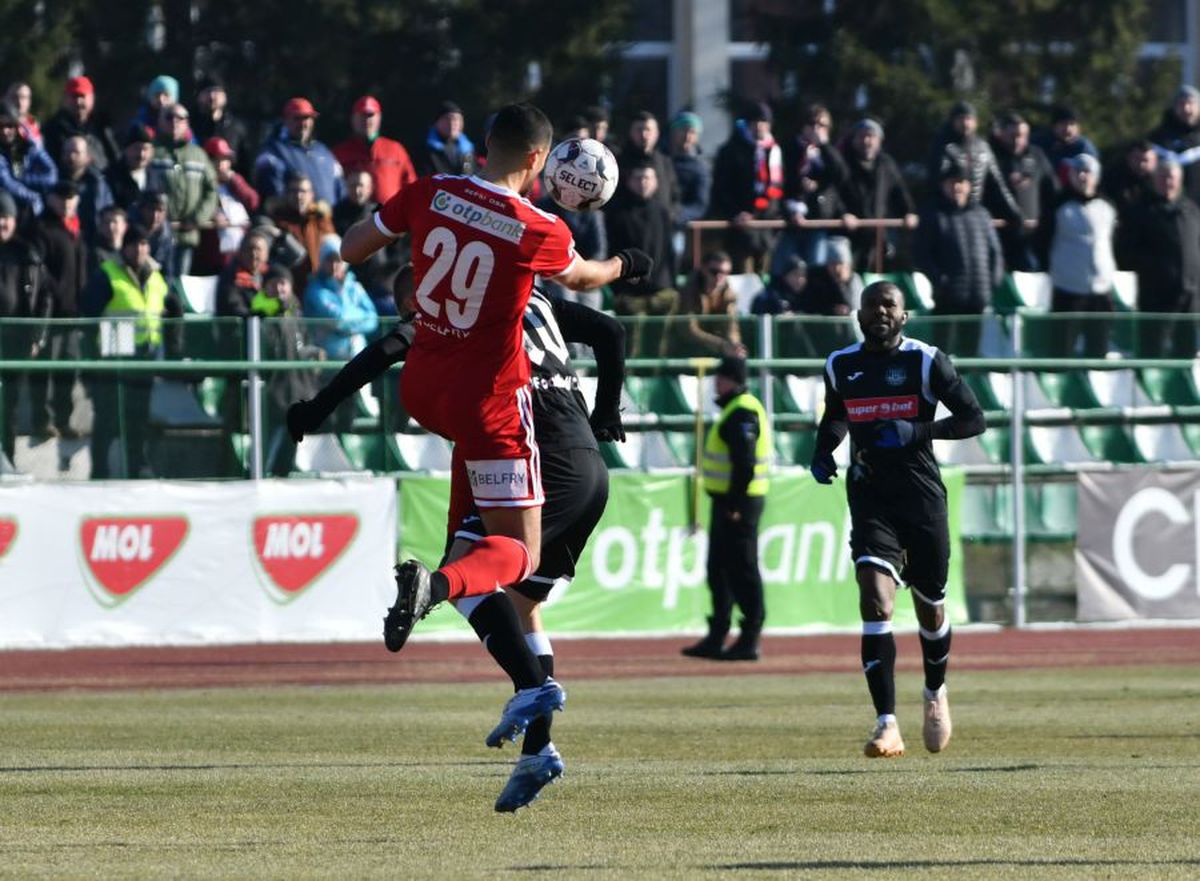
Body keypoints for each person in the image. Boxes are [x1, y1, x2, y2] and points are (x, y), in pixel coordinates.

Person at [339, 102, 650, 748]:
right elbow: (587, 278)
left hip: (426, 388)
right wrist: (626, 263)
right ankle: (435, 586)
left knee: (475, 548)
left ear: (485, 143)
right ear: (539, 160)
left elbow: (351, 247)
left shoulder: (430, 189)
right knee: (519, 553)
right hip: (488, 403)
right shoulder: (539, 229)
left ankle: (530, 704)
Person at [288, 270, 626, 811]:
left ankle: (443, 597)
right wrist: (607, 411)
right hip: (588, 463)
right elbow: (610, 330)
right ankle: (537, 751)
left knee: (467, 569)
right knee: (522, 604)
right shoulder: (529, 295)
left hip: (532, 455)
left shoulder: (450, 312)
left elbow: (382, 352)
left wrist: (315, 409)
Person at [810, 280, 985, 758]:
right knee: (875, 601)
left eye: (889, 305)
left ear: (904, 316)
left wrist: (919, 431)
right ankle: (886, 723)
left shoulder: (926, 361)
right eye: (871, 305)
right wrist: (823, 450)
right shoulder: (840, 364)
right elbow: (837, 415)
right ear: (858, 315)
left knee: (931, 608)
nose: (880, 311)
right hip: (870, 497)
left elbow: (974, 418)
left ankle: (934, 690)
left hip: (922, 499)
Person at [682, 355, 771, 661]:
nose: (716, 383)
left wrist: (734, 503)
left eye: (721, 377)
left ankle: (749, 637)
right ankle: (718, 634)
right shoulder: (735, 409)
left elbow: (745, 463)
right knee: (718, 569)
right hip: (728, 501)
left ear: (733, 380)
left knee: (742, 569)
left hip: (739, 503)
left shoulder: (743, 411)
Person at [81, 222, 183, 477]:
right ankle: (100, 472)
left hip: (144, 356)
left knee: (138, 417)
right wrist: (91, 356)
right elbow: (87, 313)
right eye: (134, 244)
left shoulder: (156, 276)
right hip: (113, 353)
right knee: (107, 417)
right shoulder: (107, 273)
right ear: (124, 248)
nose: (139, 250)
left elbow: (174, 306)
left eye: (144, 244)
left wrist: (174, 344)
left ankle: (137, 468)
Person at [913, 161, 1003, 357]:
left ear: (968, 186)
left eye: (961, 182)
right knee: (940, 353)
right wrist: (940, 280)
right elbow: (922, 254)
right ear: (943, 185)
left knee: (971, 352)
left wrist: (992, 282)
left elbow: (995, 252)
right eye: (952, 182)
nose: (957, 187)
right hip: (946, 298)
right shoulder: (933, 214)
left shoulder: (981, 214)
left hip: (977, 296)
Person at [1122, 159, 1200, 357]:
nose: (1167, 182)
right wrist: (1156, 269)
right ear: (1155, 180)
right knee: (1152, 350)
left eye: (1171, 178)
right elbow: (1126, 252)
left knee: (1187, 351)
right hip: (1156, 296)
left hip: (1190, 294)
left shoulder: (1191, 210)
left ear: (1179, 180)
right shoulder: (1142, 211)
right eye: (1163, 177)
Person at [29, 180, 87, 438]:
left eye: (71, 198)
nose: (66, 203)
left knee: (68, 371)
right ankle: (42, 421)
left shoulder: (76, 229)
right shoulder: (42, 228)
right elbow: (40, 272)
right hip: (50, 315)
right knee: (45, 371)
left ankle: (64, 420)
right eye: (61, 197)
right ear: (51, 199)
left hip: (72, 315)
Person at [1046, 153, 1117, 357]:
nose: (1082, 176)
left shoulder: (1107, 206)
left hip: (1100, 289)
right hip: (1068, 288)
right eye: (1077, 172)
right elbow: (1043, 241)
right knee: (1062, 350)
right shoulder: (1059, 205)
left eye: (1087, 171)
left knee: (1099, 350)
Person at [0, 192, 48, 464]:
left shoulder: (27, 254)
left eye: (5, 217)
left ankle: (6, 458)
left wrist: (37, 336)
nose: (1, 224)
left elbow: (45, 297)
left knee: (10, 404)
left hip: (15, 342)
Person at [708, 101, 783, 274]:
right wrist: (736, 213)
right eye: (755, 122)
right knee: (743, 278)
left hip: (765, 229)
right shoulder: (731, 150)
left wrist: (769, 214)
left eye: (764, 122)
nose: (760, 126)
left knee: (763, 278)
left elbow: (777, 188)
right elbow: (721, 189)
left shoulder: (773, 151)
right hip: (740, 230)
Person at [836, 118, 918, 270]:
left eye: (871, 136)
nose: (866, 141)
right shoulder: (843, 162)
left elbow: (898, 191)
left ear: (879, 140)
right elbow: (835, 192)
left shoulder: (886, 164)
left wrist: (908, 212)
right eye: (862, 136)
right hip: (850, 233)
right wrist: (843, 214)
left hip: (878, 234)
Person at [604, 161, 679, 326]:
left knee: (660, 338)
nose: (643, 182)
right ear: (629, 181)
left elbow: (669, 250)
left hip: (660, 288)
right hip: (628, 291)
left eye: (647, 178)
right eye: (638, 178)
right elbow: (611, 249)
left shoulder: (662, 211)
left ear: (656, 181)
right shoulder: (616, 212)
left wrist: (671, 283)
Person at [776, 103, 847, 272]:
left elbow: (840, 175)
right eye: (812, 124)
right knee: (784, 268)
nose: (816, 129)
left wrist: (824, 145)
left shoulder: (827, 152)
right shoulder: (789, 147)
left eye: (822, 125)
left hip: (817, 218)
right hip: (791, 219)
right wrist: (799, 185)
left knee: (815, 268)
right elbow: (782, 179)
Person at [149, 103, 217, 279]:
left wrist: (198, 218)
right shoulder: (151, 153)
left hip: (187, 236)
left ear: (187, 122)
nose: (174, 122)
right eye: (169, 117)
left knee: (180, 285)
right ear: (159, 121)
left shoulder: (198, 155)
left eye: (180, 118)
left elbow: (212, 190)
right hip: (156, 235)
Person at [989, 111, 1058, 271]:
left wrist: (1044, 221)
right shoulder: (991, 157)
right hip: (1000, 237)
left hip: (1032, 238)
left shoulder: (1036, 156)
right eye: (1012, 135)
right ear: (1001, 134)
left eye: (1022, 136)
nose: (1017, 140)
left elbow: (1052, 190)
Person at [302, 234, 378, 363]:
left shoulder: (354, 287)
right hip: (329, 362)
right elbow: (337, 318)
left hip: (358, 358)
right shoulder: (315, 290)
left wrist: (346, 323)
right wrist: (358, 318)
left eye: (337, 260)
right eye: (329, 260)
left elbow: (373, 319)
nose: (334, 265)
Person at [255, 97, 345, 207]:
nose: (303, 123)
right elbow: (273, 195)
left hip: (330, 216)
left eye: (306, 118)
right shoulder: (274, 151)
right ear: (285, 120)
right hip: (291, 216)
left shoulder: (323, 151)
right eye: (297, 118)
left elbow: (341, 188)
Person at [333, 95, 417, 204]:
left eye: (370, 115)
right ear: (353, 119)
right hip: (353, 213)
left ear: (379, 117)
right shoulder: (340, 152)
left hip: (390, 213)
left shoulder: (396, 149)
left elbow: (411, 186)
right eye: (362, 116)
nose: (366, 120)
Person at [270, 172, 336, 293]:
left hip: (320, 288)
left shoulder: (321, 219)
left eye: (303, 191)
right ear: (287, 194)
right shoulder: (278, 221)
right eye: (294, 191)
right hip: (292, 288)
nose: (299, 196)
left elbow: (334, 251)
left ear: (311, 195)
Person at [41, 76, 119, 175]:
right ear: (65, 99)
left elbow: (115, 158)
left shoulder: (102, 127)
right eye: (74, 97)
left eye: (82, 96)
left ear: (91, 98)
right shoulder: (53, 129)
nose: (78, 102)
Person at [202, 136, 259, 268]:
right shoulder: (201, 183)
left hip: (239, 249)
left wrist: (235, 181)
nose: (222, 165)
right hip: (213, 252)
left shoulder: (234, 181)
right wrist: (211, 214)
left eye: (225, 159)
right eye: (217, 159)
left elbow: (253, 202)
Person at [676, 249, 744, 354]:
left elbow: (731, 327)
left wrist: (735, 345)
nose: (719, 277)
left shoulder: (728, 295)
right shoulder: (688, 292)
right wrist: (721, 345)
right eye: (714, 272)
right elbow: (689, 331)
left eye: (725, 273)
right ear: (703, 269)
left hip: (717, 349)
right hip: (686, 350)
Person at [612, 111, 678, 218]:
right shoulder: (618, 163)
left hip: (660, 223)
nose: (644, 135)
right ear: (631, 132)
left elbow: (675, 196)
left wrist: (671, 215)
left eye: (648, 130)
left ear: (656, 134)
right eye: (639, 130)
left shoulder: (665, 163)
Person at [0, 101, 57, 223]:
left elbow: (52, 175)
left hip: (33, 203)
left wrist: (23, 180)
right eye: (0, 126)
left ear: (17, 125)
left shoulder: (29, 143)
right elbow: (6, 183)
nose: (5, 131)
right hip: (9, 206)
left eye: (9, 125)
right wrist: (33, 197)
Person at [59, 134, 114, 246]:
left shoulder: (98, 185)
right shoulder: (54, 181)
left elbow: (105, 212)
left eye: (76, 152)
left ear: (88, 157)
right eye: (67, 152)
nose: (71, 156)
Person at [192, 78, 251, 177]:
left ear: (225, 96)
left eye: (216, 91)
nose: (212, 96)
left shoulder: (235, 127)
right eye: (207, 91)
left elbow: (244, 163)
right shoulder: (190, 125)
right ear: (199, 96)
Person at [668, 111, 710, 242]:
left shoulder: (700, 167)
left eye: (692, 132)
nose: (687, 136)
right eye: (683, 130)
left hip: (683, 230)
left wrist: (678, 215)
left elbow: (700, 204)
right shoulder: (661, 161)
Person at [214, 229, 270, 318]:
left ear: (266, 254)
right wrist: (256, 316)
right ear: (240, 253)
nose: (253, 254)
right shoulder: (230, 276)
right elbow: (233, 308)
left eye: (258, 249)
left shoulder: (272, 276)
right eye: (249, 249)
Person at [414, 100, 475, 177]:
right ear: (436, 122)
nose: (452, 123)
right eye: (447, 118)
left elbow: (471, 174)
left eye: (456, 119)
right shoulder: (425, 148)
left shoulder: (467, 149)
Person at [106, 124, 156, 213]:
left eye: (145, 149)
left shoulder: (155, 175)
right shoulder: (111, 177)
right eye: (136, 148)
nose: (141, 154)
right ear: (126, 149)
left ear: (152, 152)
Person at [1038, 105, 1099, 172]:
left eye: (1072, 124)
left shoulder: (1084, 148)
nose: (1067, 129)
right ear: (1054, 126)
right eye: (1063, 123)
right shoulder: (1041, 143)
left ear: (1078, 128)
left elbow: (1090, 174)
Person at [5, 82, 41, 146]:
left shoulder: (34, 124)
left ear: (29, 101)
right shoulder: (3, 125)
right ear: (8, 99)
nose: (19, 101)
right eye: (15, 97)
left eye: (23, 97)